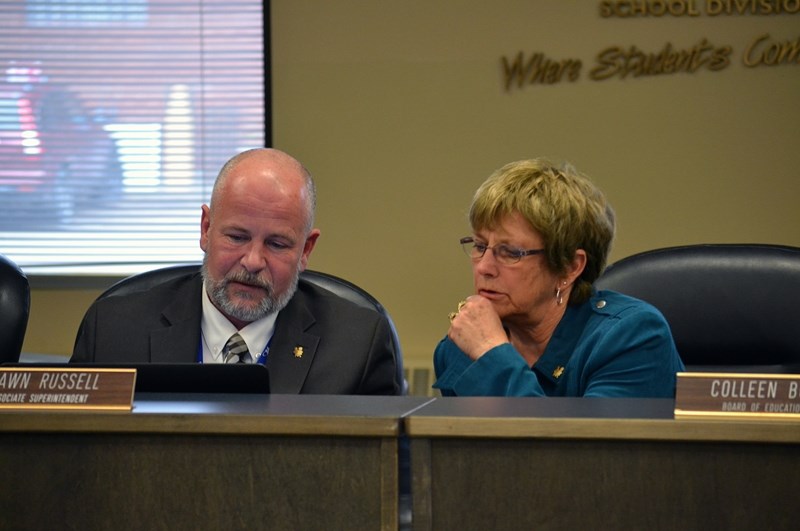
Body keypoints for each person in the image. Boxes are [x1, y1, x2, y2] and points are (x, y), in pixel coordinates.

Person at [71, 148, 401, 395]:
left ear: (306, 250)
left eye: (277, 244)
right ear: (205, 228)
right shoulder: (113, 330)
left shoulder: (357, 344)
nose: (253, 261)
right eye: (237, 237)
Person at [434, 157, 684, 397]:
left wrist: (491, 354)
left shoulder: (633, 336)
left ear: (569, 267)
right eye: (479, 246)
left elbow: (581, 441)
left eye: (510, 252)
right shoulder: (460, 346)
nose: (484, 267)